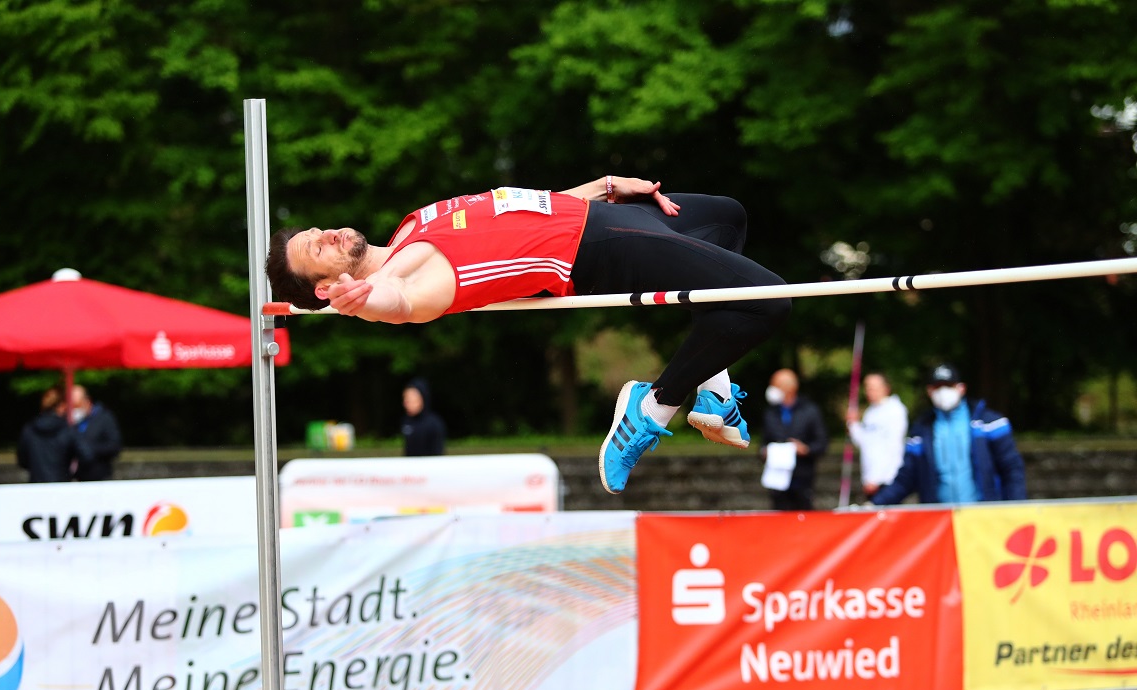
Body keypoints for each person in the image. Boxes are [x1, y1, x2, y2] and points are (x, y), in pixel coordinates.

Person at [265, 176, 791, 494]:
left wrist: (603, 187)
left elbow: (518, 206)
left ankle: (714, 389)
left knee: (727, 218)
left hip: (597, 213)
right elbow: (396, 304)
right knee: (768, 300)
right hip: (596, 248)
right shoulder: (405, 278)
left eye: (315, 231)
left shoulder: (408, 229)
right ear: (331, 285)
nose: (327, 234)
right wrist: (364, 304)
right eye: (318, 250)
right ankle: (652, 406)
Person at [872, 363, 1027, 505]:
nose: (943, 392)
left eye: (948, 386)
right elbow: (906, 479)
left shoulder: (990, 423)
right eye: (937, 387)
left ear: (961, 388)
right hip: (941, 523)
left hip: (984, 518)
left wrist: (1016, 508)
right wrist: (874, 504)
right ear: (929, 392)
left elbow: (1012, 469)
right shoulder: (921, 431)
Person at [759, 368, 828, 510]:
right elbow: (763, 443)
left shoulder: (809, 410)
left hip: (802, 478)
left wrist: (805, 449)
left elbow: (822, 443)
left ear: (789, 388)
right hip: (776, 480)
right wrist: (765, 452)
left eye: (776, 385)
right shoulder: (771, 413)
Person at [846, 372, 908, 501]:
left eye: (873, 388)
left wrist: (876, 478)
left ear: (886, 388)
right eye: (867, 387)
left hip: (887, 479)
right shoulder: (871, 412)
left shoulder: (894, 410)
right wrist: (853, 425)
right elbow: (864, 442)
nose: (869, 391)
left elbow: (893, 447)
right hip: (871, 479)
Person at [17, 388, 83, 483]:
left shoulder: (29, 429)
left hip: (36, 485)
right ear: (61, 406)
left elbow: (22, 461)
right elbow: (86, 455)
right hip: (61, 484)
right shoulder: (67, 429)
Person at [69, 385, 123, 480]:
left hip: (100, 477)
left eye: (77, 405)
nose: (74, 410)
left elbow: (115, 446)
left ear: (87, 401)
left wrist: (89, 449)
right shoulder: (72, 421)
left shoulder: (105, 418)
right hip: (79, 478)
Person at [402, 377, 446, 456]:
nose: (406, 402)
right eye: (405, 398)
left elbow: (438, 453)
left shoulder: (434, 423)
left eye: (411, 398)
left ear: (422, 398)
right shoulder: (406, 421)